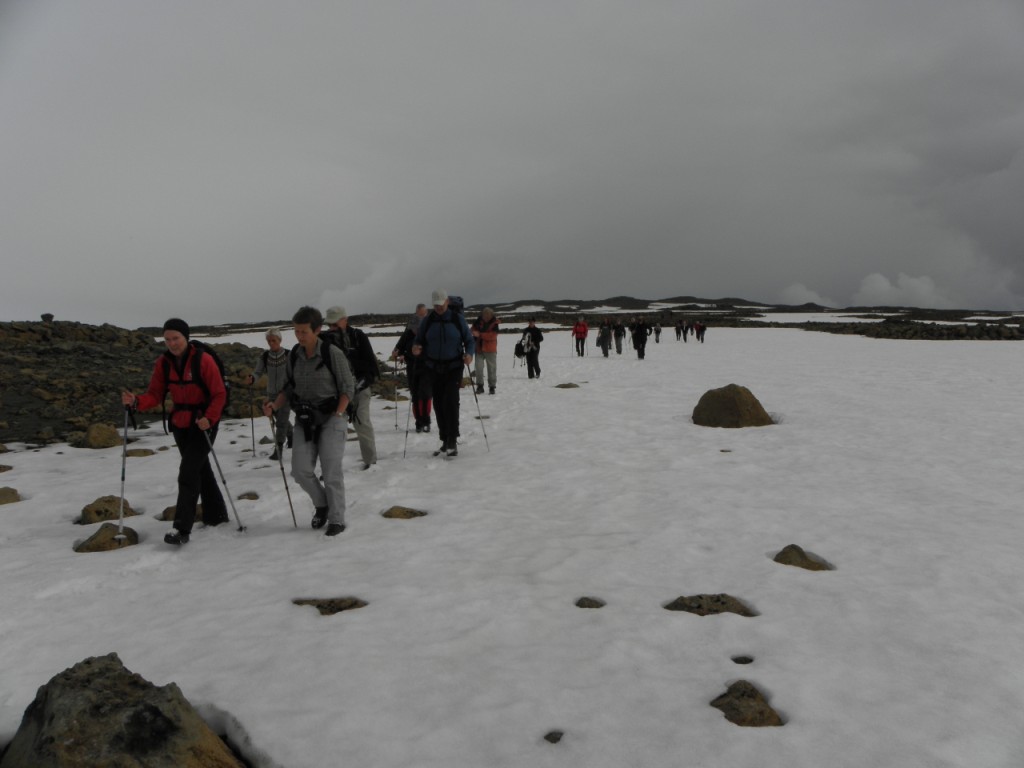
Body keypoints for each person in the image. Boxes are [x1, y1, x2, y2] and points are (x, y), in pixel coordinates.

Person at [121, 318, 228, 545]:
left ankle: (181, 529)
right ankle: (217, 515)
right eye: (167, 339)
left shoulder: (203, 360)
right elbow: (155, 394)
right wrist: (136, 401)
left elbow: (219, 393)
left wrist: (209, 418)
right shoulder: (164, 363)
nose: (172, 343)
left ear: (185, 337)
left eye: (176, 338)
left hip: (203, 423)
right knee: (201, 469)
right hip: (180, 424)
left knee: (188, 472)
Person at [263, 306, 354, 536]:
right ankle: (322, 504)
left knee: (331, 471)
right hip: (305, 419)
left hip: (332, 418)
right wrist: (274, 405)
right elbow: (288, 387)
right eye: (296, 331)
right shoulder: (294, 355)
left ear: (317, 330)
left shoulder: (332, 353)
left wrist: (338, 413)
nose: (299, 336)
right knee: (300, 471)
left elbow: (347, 387)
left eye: (304, 332)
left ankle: (336, 519)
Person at [412, 290, 474, 457]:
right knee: (438, 403)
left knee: (451, 401)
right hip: (433, 368)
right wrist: (416, 348)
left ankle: (452, 439)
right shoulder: (428, 320)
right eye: (436, 305)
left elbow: (469, 340)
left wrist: (469, 354)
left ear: (447, 302)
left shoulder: (457, 319)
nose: (439, 307)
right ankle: (444, 439)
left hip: (454, 367)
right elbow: (419, 340)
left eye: (441, 304)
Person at [324, 306, 379, 470]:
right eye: (329, 324)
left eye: (335, 324)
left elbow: (372, 367)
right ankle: (331, 468)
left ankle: (371, 462)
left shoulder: (358, 337)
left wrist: (358, 384)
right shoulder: (323, 340)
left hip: (360, 388)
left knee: (362, 424)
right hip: (336, 392)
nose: (332, 328)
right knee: (334, 428)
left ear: (345, 320)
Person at [247, 327, 292, 461]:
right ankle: (292, 436)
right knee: (280, 418)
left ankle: (278, 450)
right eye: (269, 341)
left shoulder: (289, 355)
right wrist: (253, 378)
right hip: (271, 394)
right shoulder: (265, 356)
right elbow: (258, 372)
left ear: (279, 340)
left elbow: (294, 374)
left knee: (281, 422)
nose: (271, 343)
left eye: (274, 340)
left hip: (285, 394)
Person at [392, 303, 432, 432]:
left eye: (423, 314)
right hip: (412, 367)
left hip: (427, 366)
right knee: (415, 395)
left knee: (425, 394)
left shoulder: (430, 329)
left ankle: (426, 421)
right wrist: (396, 352)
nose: (415, 331)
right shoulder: (408, 332)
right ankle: (418, 422)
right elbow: (399, 346)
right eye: (419, 314)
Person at [470, 307, 500, 395]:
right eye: (484, 315)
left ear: (491, 315)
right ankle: (480, 386)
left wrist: (479, 334)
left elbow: (493, 336)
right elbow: (472, 329)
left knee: (491, 369)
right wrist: (473, 332)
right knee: (478, 368)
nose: (486, 317)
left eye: (488, 315)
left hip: (490, 349)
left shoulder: (495, 324)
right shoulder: (477, 322)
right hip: (479, 348)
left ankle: (492, 387)